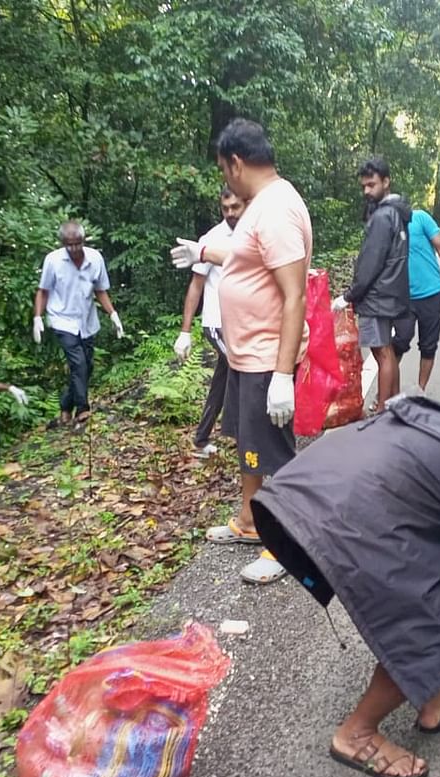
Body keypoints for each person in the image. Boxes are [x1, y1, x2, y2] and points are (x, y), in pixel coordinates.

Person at [250, 395, 440, 777]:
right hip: (342, 514)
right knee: (426, 621)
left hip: (299, 490)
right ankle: (356, 735)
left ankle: (432, 700)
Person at [169, 118, 311, 585]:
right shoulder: (259, 205)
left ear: (235, 162)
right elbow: (249, 258)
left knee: (274, 454)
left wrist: (283, 375)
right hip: (244, 353)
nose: (224, 181)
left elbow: (295, 294)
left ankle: (283, 544)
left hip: (268, 357)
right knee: (248, 445)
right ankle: (250, 520)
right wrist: (203, 254)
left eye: (223, 170)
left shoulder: (277, 208)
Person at [332, 157, 410, 413]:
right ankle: (394, 402)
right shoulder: (397, 213)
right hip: (390, 294)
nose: (367, 191)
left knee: (382, 353)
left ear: (386, 182)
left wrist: (349, 295)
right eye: (364, 186)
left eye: (371, 184)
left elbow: (370, 264)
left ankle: (383, 410)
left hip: (377, 297)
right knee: (386, 350)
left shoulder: (382, 217)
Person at [173, 188, 247, 458]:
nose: (230, 213)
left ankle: (202, 439)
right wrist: (185, 332)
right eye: (225, 208)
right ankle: (245, 439)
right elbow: (196, 286)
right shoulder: (212, 239)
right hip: (217, 322)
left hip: (244, 322)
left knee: (223, 378)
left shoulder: (253, 232)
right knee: (243, 371)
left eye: (235, 207)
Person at [31, 221, 124, 428]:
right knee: (78, 364)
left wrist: (113, 314)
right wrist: (37, 317)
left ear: (83, 240)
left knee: (87, 366)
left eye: (77, 244)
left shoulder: (95, 258)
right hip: (61, 319)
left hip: (87, 320)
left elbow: (100, 290)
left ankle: (65, 407)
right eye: (69, 245)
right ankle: (82, 408)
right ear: (63, 243)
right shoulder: (53, 261)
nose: (74, 248)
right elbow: (43, 290)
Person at [391, 205, 440, 391]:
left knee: (428, 346)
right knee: (399, 341)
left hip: (431, 293)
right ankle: (385, 392)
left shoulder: (421, 218)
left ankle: (420, 391)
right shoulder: (387, 228)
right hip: (403, 297)